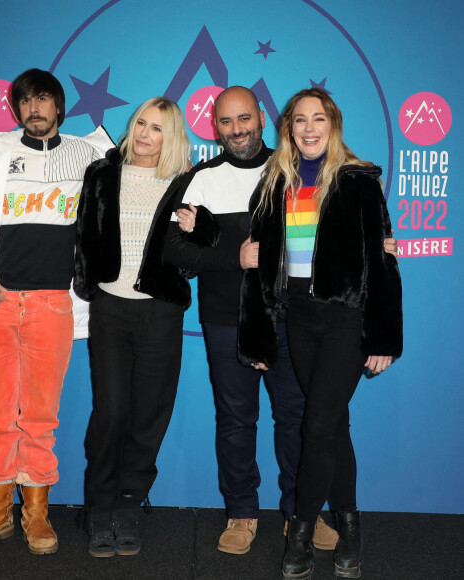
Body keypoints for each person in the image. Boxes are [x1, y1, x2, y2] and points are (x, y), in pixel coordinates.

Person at [165, 86, 397, 556]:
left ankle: (300, 515)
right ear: (215, 126)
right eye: (227, 122)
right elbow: (173, 248)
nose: (237, 130)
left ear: (261, 119)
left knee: (298, 418)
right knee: (235, 418)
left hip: (288, 318)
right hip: (226, 319)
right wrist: (233, 256)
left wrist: (377, 249)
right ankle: (242, 513)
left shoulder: (284, 170)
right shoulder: (203, 178)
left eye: (245, 119)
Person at [0, 68, 112, 555]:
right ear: (15, 110)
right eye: (25, 102)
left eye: (43, 100)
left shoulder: (92, 154)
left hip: (53, 304)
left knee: (40, 417)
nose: (34, 108)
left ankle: (36, 514)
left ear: (59, 107)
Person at [238, 88, 402, 579]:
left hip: (346, 321)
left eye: (319, 120)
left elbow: (382, 262)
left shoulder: (358, 182)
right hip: (297, 320)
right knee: (333, 427)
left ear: (333, 126)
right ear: (289, 127)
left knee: (316, 427)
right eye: (301, 121)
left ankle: (301, 533)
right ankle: (350, 530)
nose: (309, 129)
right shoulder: (275, 181)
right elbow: (261, 270)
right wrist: (259, 334)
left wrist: (383, 338)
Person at [74, 97, 217, 558]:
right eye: (140, 123)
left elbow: (204, 248)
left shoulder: (186, 182)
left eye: (157, 128)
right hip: (111, 309)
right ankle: (98, 506)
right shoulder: (102, 173)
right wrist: (88, 282)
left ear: (170, 136)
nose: (144, 134)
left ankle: (130, 502)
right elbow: (83, 234)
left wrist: (200, 230)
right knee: (111, 412)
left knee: (149, 413)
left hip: (160, 311)